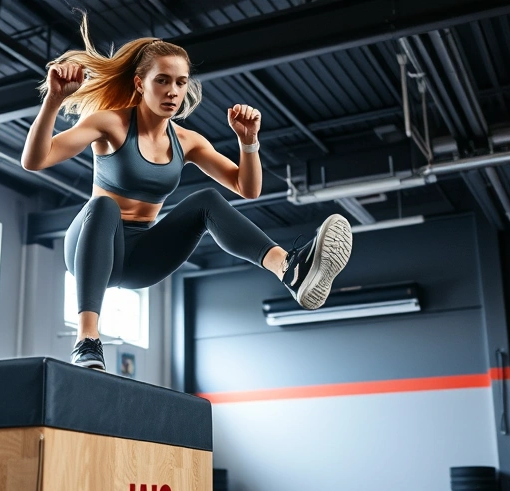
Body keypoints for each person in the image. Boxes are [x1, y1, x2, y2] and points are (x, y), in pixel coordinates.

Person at [21, 14, 353, 371]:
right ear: (139, 83)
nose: (172, 91)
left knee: (205, 201)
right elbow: (35, 160)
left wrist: (249, 143)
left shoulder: (187, 141)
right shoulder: (111, 123)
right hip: (92, 246)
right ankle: (87, 338)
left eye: (180, 82)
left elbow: (248, 188)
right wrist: (53, 100)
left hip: (141, 260)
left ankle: (288, 269)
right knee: (103, 206)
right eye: (162, 81)